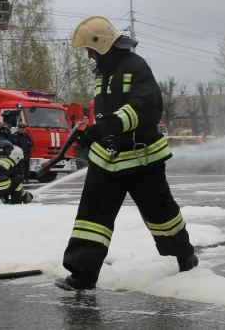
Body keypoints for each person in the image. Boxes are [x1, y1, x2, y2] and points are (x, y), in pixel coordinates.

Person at [54, 16, 197, 292]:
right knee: (91, 219)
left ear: (102, 44)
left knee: (162, 214)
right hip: (106, 159)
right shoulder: (103, 71)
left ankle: (184, 256)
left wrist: (105, 126)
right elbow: (106, 112)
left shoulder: (136, 67)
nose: (88, 55)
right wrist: (93, 132)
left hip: (141, 158)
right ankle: (82, 276)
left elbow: (144, 108)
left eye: (90, 49)